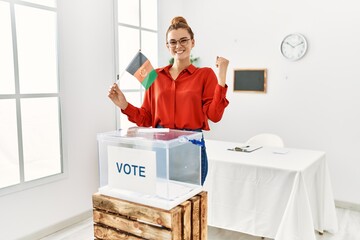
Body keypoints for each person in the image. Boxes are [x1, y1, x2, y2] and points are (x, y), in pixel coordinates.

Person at [108, 16, 229, 185]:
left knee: (188, 206)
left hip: (190, 149)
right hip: (160, 148)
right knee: (160, 205)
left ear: (193, 42)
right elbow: (146, 118)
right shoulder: (154, 77)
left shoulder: (205, 74)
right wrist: (124, 105)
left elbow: (214, 115)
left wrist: (222, 76)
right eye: (173, 42)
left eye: (183, 40)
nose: (178, 46)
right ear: (167, 46)